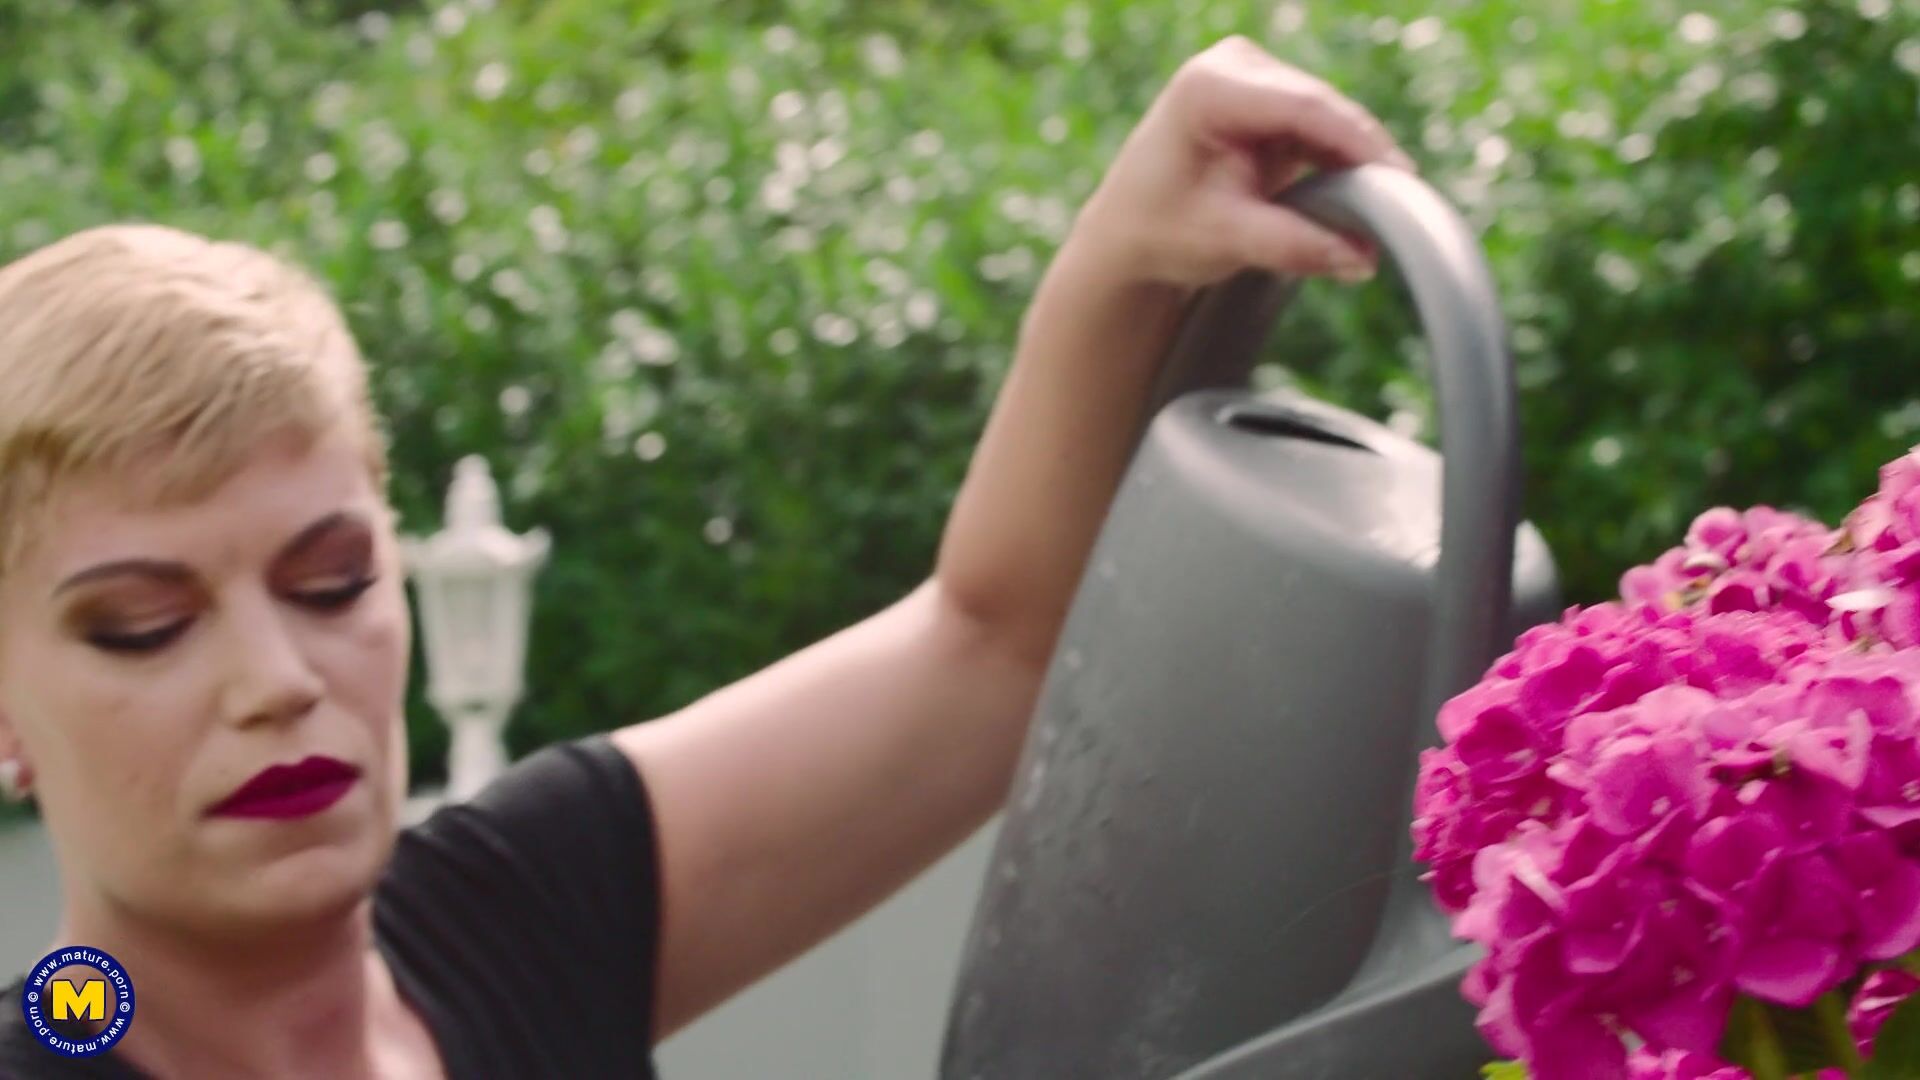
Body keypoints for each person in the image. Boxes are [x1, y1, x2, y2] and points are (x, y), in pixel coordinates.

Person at [0, 35, 1411, 1079]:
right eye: (141, 626)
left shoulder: (515, 912)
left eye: (332, 584)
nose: (276, 680)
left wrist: (1127, 254)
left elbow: (996, 646)